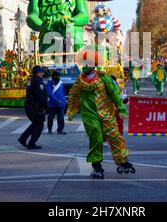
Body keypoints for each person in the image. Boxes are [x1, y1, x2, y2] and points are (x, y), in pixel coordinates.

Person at [67, 50, 135, 179]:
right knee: (96, 138)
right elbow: (73, 96)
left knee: (115, 136)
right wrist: (71, 110)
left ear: (94, 64)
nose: (85, 66)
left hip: (106, 112)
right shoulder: (79, 80)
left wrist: (121, 108)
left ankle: (122, 161)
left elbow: (114, 95)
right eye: (83, 63)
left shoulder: (104, 78)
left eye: (87, 63)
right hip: (89, 114)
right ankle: (96, 164)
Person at [18, 66, 48, 150]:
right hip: (35, 107)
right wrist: (46, 106)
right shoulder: (38, 82)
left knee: (36, 123)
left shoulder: (32, 81)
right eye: (41, 72)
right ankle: (31, 143)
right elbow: (40, 96)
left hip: (31, 106)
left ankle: (23, 139)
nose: (43, 73)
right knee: (39, 124)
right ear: (37, 73)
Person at [46, 71, 67, 135]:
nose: (57, 78)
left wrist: (64, 101)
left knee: (61, 117)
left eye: (58, 77)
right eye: (56, 77)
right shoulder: (49, 83)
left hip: (61, 104)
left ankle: (60, 130)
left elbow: (63, 93)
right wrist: (56, 100)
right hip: (52, 104)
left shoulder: (61, 83)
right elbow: (49, 94)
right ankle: (50, 130)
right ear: (52, 77)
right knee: (50, 117)